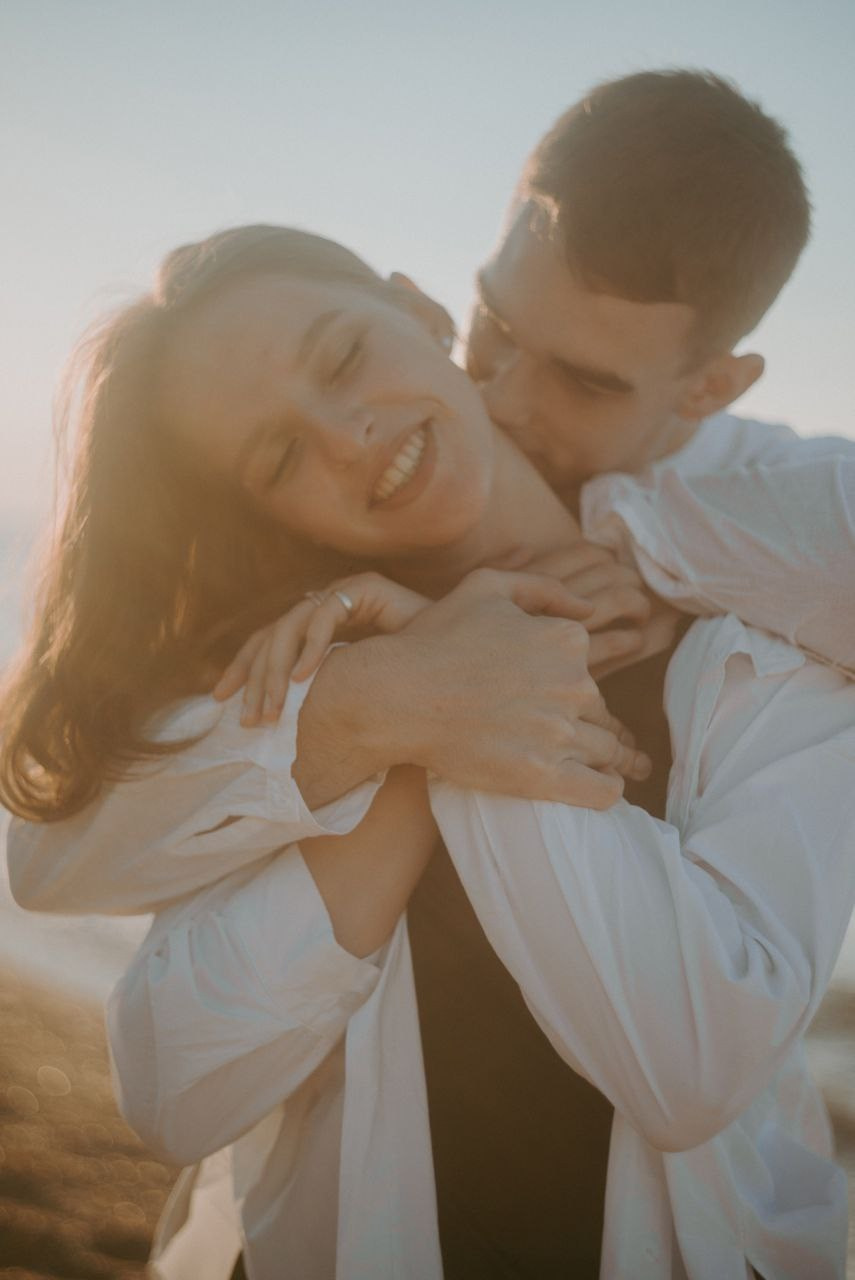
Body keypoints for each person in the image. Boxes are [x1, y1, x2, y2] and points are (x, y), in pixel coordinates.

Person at [3, 70, 855, 1277]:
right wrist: (404, 708)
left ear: (409, 303)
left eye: (343, 354)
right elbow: (169, 1082)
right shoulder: (281, 658)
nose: (348, 433)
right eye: (281, 451)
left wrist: (634, 551)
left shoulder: (770, 624)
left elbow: (696, 1065)